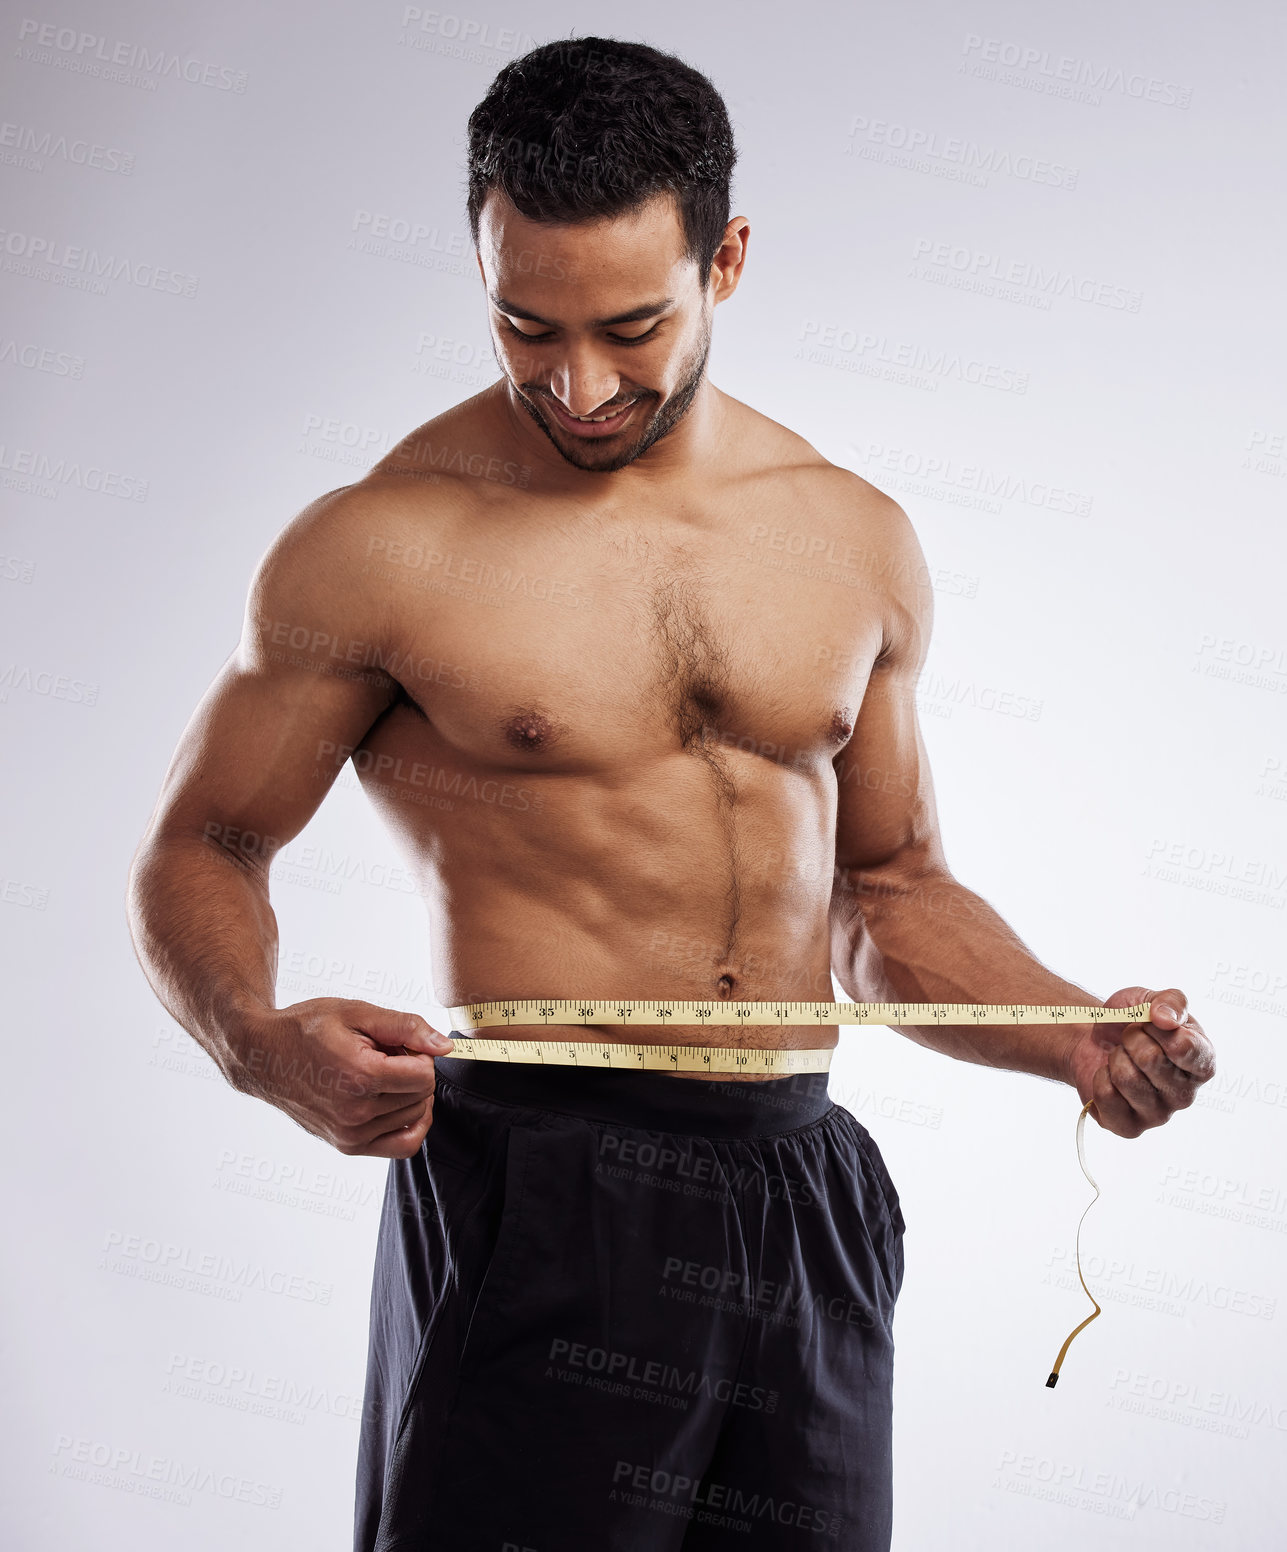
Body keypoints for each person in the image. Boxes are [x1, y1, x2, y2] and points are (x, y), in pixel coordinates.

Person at [126, 35, 1215, 1552]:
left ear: (730, 261)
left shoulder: (851, 538)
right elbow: (210, 839)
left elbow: (887, 893)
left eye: (632, 327)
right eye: (525, 327)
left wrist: (1076, 1039)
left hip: (804, 1193)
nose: (574, 386)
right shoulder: (381, 544)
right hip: (540, 1184)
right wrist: (257, 1043)